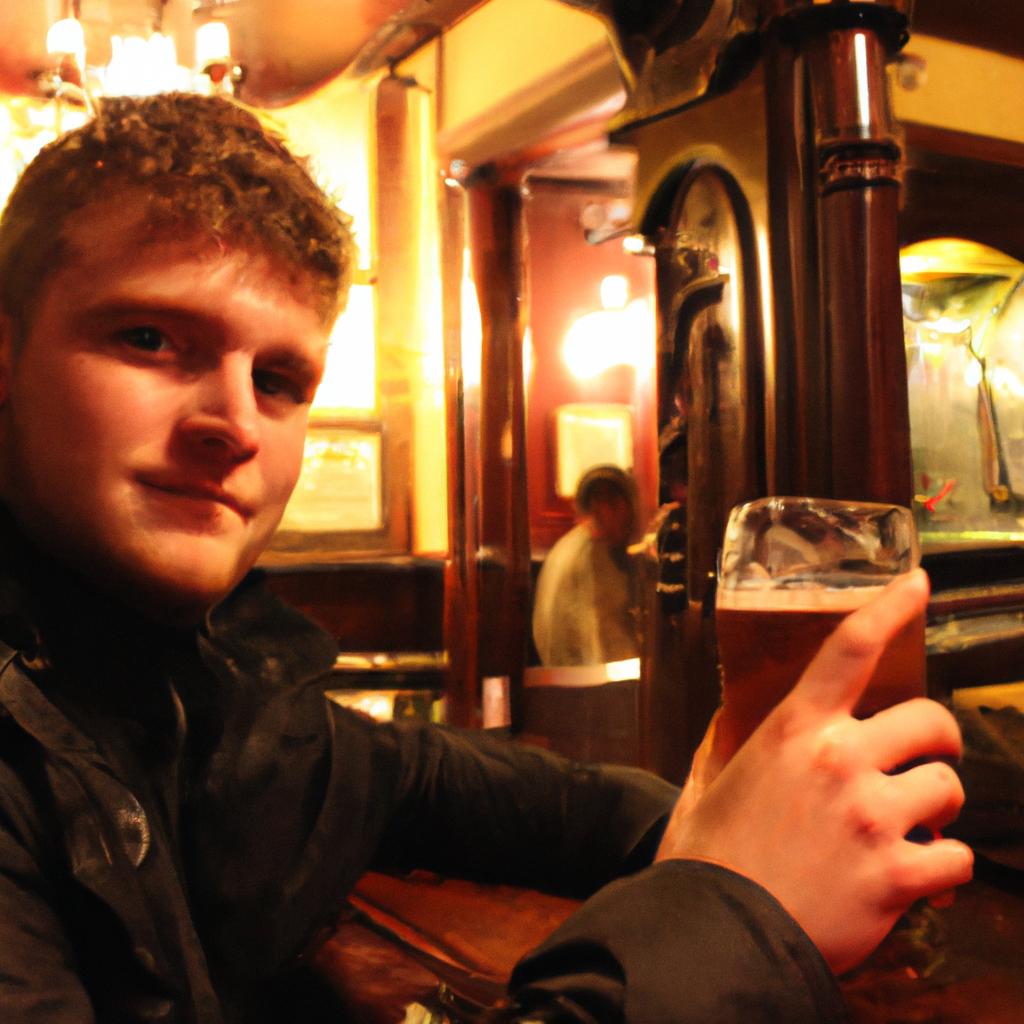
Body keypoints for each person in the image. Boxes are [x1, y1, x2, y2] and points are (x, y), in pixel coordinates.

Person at [0, 92, 971, 1024]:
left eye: (280, 378)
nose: (233, 422)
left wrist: (717, 825)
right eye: (149, 337)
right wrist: (730, 909)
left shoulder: (197, 682)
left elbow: (449, 785)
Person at [532, 465, 640, 666]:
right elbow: (602, 644)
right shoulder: (588, 556)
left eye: (613, 502)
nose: (606, 511)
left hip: (575, 680)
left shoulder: (578, 544)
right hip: (589, 684)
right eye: (602, 502)